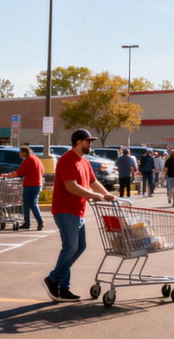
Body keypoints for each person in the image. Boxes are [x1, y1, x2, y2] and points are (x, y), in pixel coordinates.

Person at [44, 129, 116, 302]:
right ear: (78, 142)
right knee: (70, 247)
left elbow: (93, 181)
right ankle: (54, 280)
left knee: (79, 247)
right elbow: (71, 186)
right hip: (65, 210)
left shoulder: (83, 161)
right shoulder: (67, 160)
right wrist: (93, 195)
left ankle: (62, 285)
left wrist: (106, 194)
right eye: (88, 141)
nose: (91, 144)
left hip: (77, 211)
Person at [1, 145, 44, 230]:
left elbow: (19, 173)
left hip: (30, 185)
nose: (20, 154)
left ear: (25, 152)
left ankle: (34, 222)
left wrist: (7, 176)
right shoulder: (36, 159)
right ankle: (33, 222)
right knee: (32, 203)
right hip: (38, 184)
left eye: (21, 152)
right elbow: (42, 170)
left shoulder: (28, 160)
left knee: (29, 204)